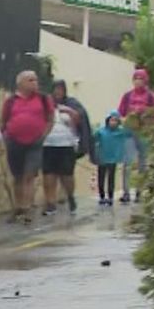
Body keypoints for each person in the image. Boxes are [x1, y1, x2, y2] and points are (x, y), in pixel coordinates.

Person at [0, 71, 54, 224]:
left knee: (29, 175)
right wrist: (5, 136)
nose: (35, 83)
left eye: (35, 80)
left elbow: (50, 119)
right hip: (14, 141)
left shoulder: (43, 99)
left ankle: (27, 208)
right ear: (21, 83)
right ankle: (18, 207)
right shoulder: (11, 101)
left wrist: (44, 135)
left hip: (35, 143)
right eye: (30, 80)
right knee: (17, 176)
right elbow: (4, 121)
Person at [41, 79, 91, 216]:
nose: (57, 92)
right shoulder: (46, 103)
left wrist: (69, 111)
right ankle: (50, 203)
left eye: (60, 89)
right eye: (55, 89)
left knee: (66, 175)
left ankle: (70, 196)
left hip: (66, 144)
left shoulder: (72, 104)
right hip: (48, 144)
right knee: (48, 174)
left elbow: (80, 120)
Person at [117, 69, 154, 204]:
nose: (138, 81)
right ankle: (126, 192)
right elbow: (120, 112)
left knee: (143, 162)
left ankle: (140, 191)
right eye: (136, 79)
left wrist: (151, 124)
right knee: (127, 161)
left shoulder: (151, 97)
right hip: (129, 130)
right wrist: (124, 119)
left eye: (140, 79)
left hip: (144, 131)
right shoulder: (128, 96)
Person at [92, 111, 138, 206]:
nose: (113, 122)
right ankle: (102, 196)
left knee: (111, 178)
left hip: (113, 159)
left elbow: (132, 133)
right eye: (111, 120)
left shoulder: (121, 132)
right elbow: (92, 139)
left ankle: (110, 197)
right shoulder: (101, 131)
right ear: (107, 121)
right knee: (101, 178)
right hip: (102, 158)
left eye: (115, 120)